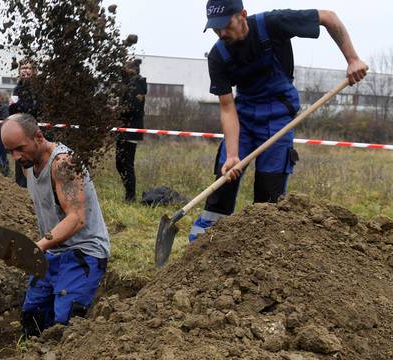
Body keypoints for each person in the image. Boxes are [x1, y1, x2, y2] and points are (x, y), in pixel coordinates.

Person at [190, 0, 369, 241]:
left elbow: (329, 17)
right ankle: (204, 245)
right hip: (243, 117)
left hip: (277, 117)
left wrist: (352, 59)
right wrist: (233, 154)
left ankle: (260, 250)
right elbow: (227, 106)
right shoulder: (218, 55)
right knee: (224, 181)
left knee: (268, 192)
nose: (222, 33)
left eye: (226, 25)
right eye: (215, 28)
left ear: (242, 15)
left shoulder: (272, 23)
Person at [0, 113, 110, 338]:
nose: (16, 156)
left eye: (20, 148)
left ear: (38, 137)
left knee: (64, 324)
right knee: (33, 317)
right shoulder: (28, 163)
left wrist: (38, 246)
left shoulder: (63, 163)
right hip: (54, 252)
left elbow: (76, 218)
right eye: (10, 151)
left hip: (84, 253)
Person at [116, 59, 147, 202]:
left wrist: (116, 111)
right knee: (119, 163)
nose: (123, 69)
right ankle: (128, 193)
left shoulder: (137, 84)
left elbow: (132, 107)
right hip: (123, 128)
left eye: (126, 67)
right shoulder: (127, 83)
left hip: (131, 129)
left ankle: (130, 197)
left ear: (133, 70)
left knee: (127, 163)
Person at [9, 58, 41, 188]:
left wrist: (19, 105)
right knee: (20, 161)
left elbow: (36, 107)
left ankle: (36, 188)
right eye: (23, 68)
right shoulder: (17, 88)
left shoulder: (39, 87)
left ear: (34, 71)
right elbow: (12, 111)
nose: (25, 71)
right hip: (20, 130)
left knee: (35, 162)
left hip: (35, 131)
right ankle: (21, 188)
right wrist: (11, 106)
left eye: (28, 68)